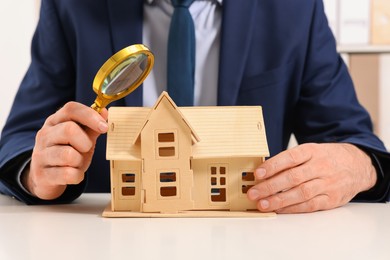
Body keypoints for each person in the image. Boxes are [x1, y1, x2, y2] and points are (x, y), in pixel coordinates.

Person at [0, 0, 389, 213]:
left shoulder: (294, 9)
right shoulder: (71, 5)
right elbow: (18, 140)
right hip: (105, 238)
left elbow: (354, 139)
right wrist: (36, 174)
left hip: (248, 237)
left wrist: (357, 166)